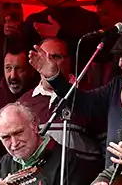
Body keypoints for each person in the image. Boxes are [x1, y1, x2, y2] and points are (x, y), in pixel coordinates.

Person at [18, 37, 105, 168]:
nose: (49, 62)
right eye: (43, 57)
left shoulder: (89, 95)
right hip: (37, 183)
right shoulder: (23, 103)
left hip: (81, 183)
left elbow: (105, 144)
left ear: (69, 61)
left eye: (55, 57)